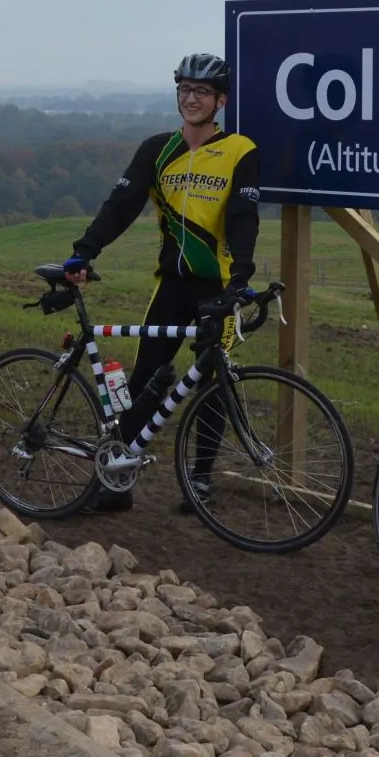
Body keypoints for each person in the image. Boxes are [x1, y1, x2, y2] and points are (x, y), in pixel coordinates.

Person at [61, 52, 261, 513]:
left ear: (221, 101)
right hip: (170, 286)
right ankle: (118, 480)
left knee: (214, 384)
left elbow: (243, 217)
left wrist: (241, 276)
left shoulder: (240, 151)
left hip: (218, 287)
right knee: (144, 378)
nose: (191, 99)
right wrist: (85, 250)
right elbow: (121, 206)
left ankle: (200, 481)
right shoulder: (157, 150)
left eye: (202, 92)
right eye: (185, 90)